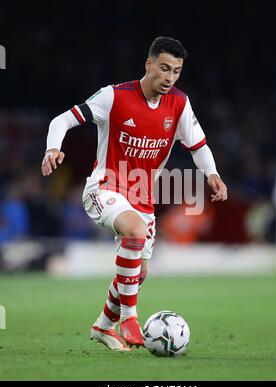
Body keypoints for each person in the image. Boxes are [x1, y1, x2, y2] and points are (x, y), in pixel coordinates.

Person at [41, 36, 227, 352]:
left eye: (177, 71)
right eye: (164, 68)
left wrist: (213, 175)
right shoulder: (114, 96)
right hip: (104, 188)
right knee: (135, 232)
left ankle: (102, 326)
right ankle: (130, 317)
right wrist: (52, 148)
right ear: (149, 64)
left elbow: (198, 145)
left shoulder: (179, 104)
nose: (169, 78)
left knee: (137, 274)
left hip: (143, 198)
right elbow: (63, 119)